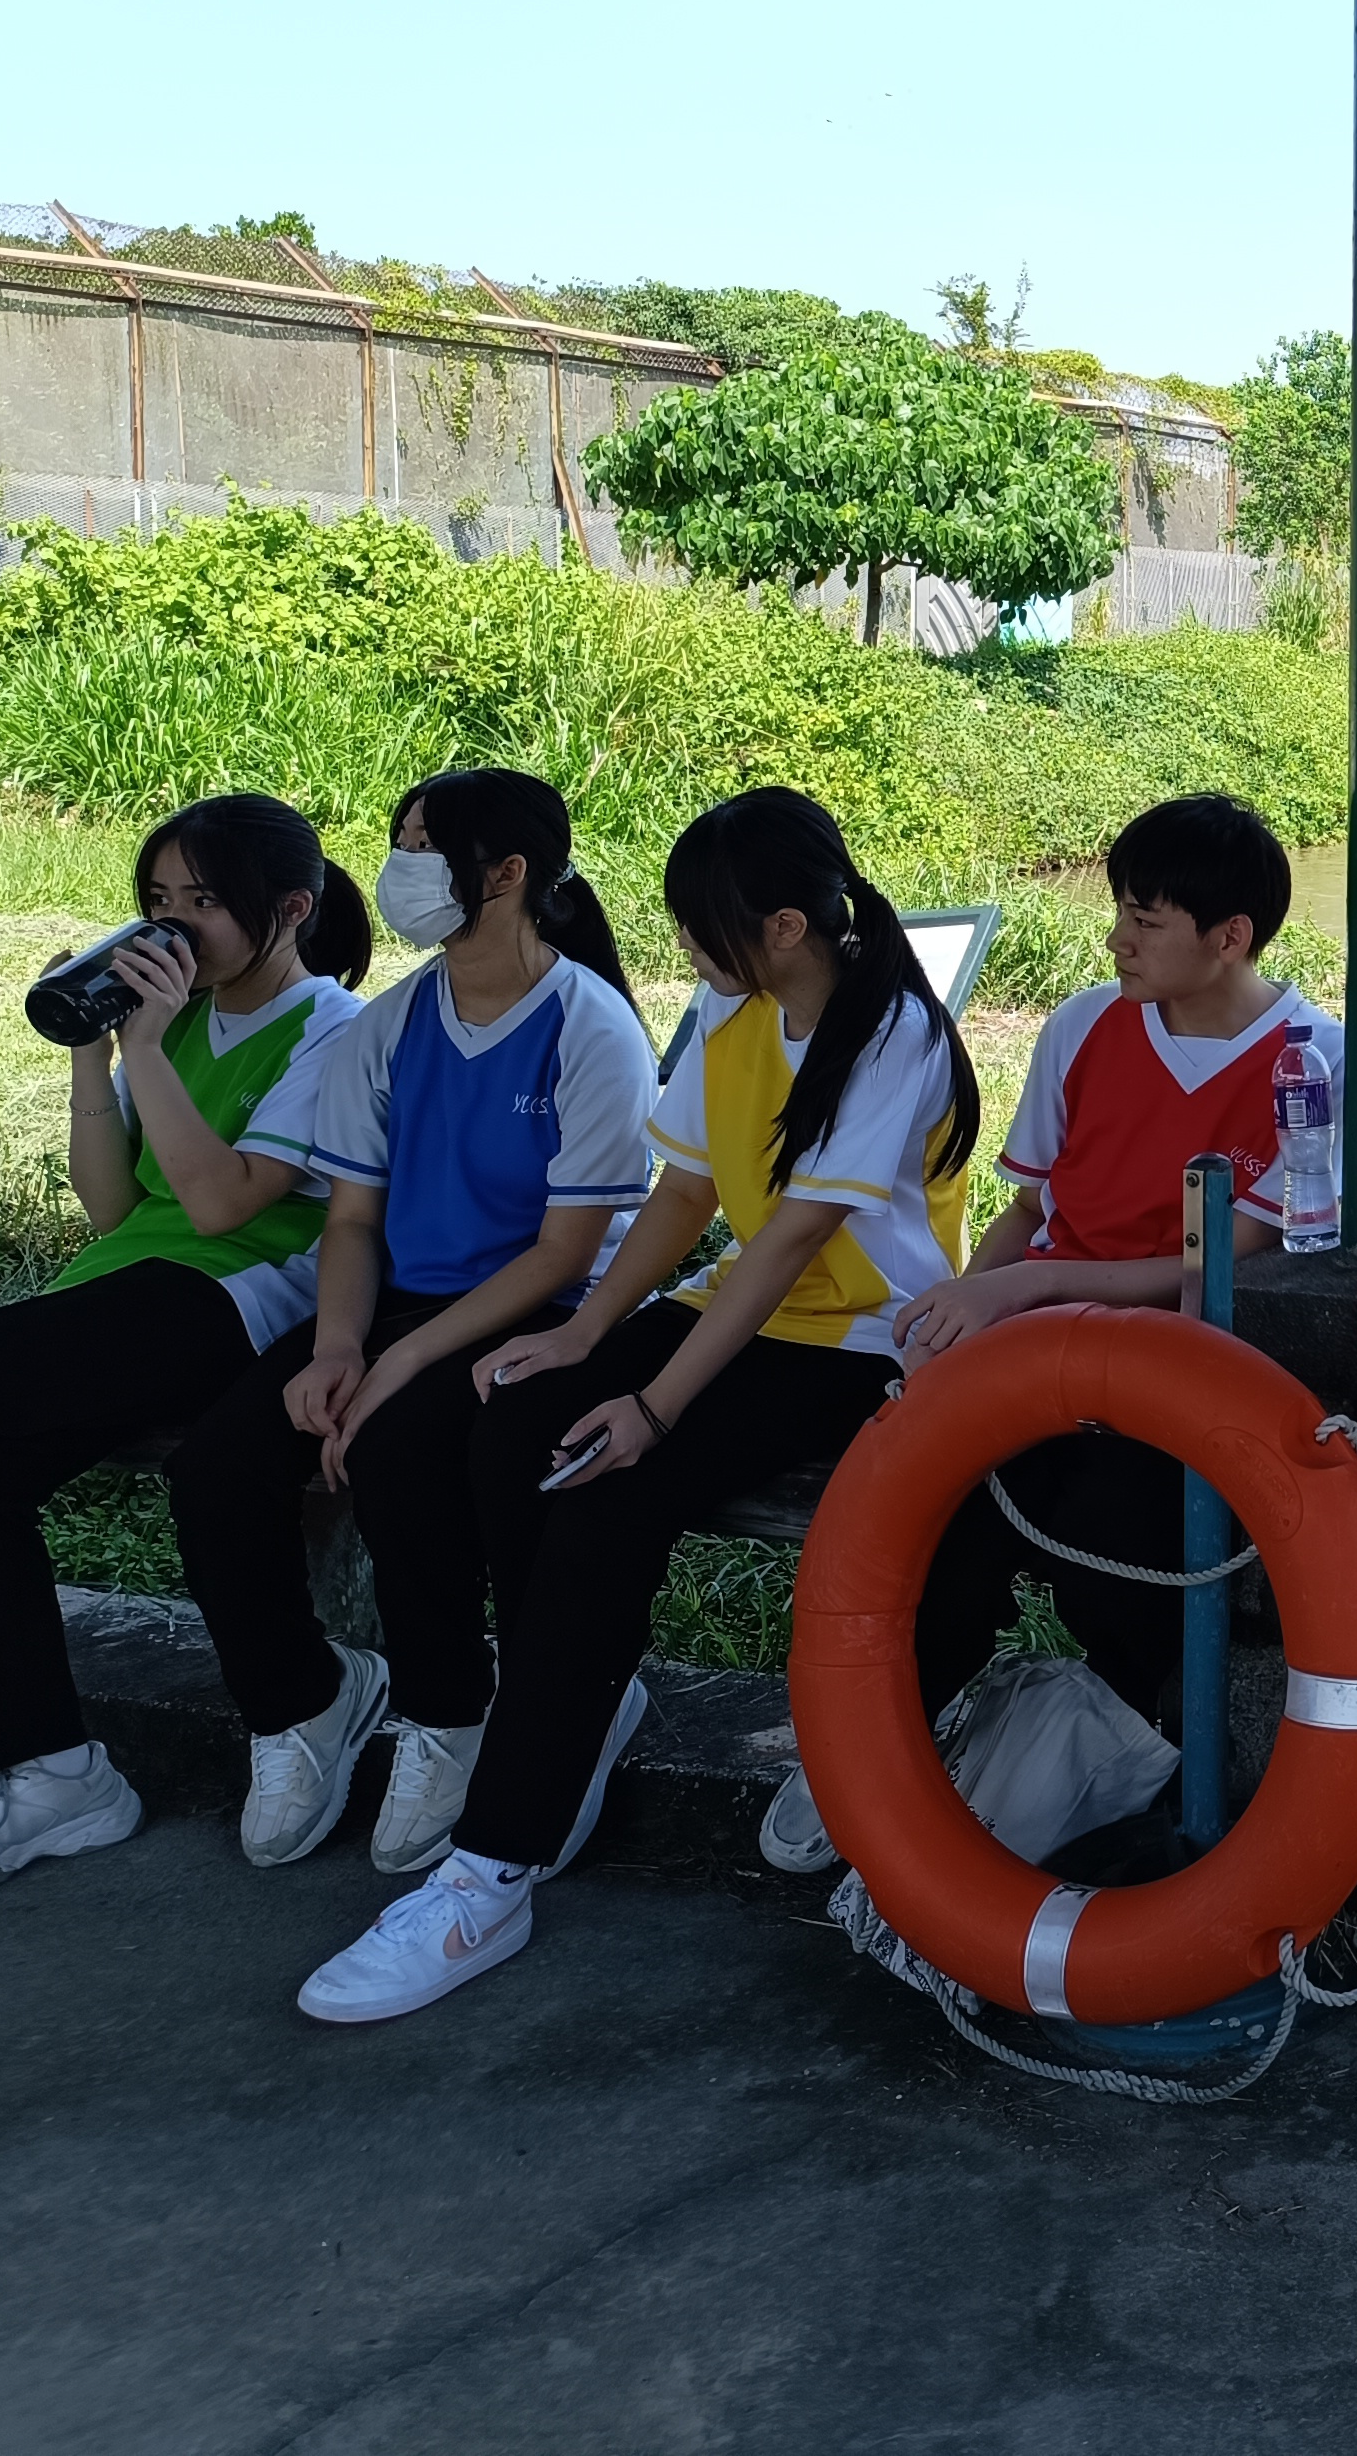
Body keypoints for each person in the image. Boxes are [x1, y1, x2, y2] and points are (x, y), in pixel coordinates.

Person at [291, 786, 979, 2022]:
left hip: (860, 1344)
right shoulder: (735, 1005)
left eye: (699, 926)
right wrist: (581, 1334)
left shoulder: (891, 1033)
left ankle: (490, 1872)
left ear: (783, 927)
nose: (682, 947)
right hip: (741, 1313)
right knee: (514, 1422)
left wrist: (650, 1409)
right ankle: (575, 1702)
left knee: (606, 1490)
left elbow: (790, 1244)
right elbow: (686, 1195)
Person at [755, 792, 1345, 1873]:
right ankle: (869, 1748)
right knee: (933, 1523)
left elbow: (1230, 1260)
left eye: (1146, 921)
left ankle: (1113, 1775)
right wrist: (961, 1313)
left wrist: (1031, 1290)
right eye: (1119, 911)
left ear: (1231, 938)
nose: (1117, 939)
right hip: (1035, 1354)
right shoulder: (1082, 1025)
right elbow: (1028, 1208)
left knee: (1113, 1549)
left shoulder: (1312, 1061)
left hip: (1178, 1376)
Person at [157, 769, 656, 1878]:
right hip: (401, 1302)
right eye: (402, 842)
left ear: (508, 873)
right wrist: (341, 1348)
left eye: (426, 847)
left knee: (397, 1448)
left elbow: (564, 1252)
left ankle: (451, 1713)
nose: (400, 869)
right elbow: (351, 1222)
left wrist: (400, 1363)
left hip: (545, 1309)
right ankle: (301, 1703)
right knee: (220, 1466)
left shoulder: (589, 1026)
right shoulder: (388, 1026)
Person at [0, 795, 369, 1896]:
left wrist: (145, 1043)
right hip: (125, 1289)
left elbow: (220, 1207)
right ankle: (53, 1773)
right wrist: (92, 1055)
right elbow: (112, 1207)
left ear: (290, 909)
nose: (172, 926)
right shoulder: (181, 1021)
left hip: (233, 1301)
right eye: (158, 899)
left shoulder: (334, 1031)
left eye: (204, 901)